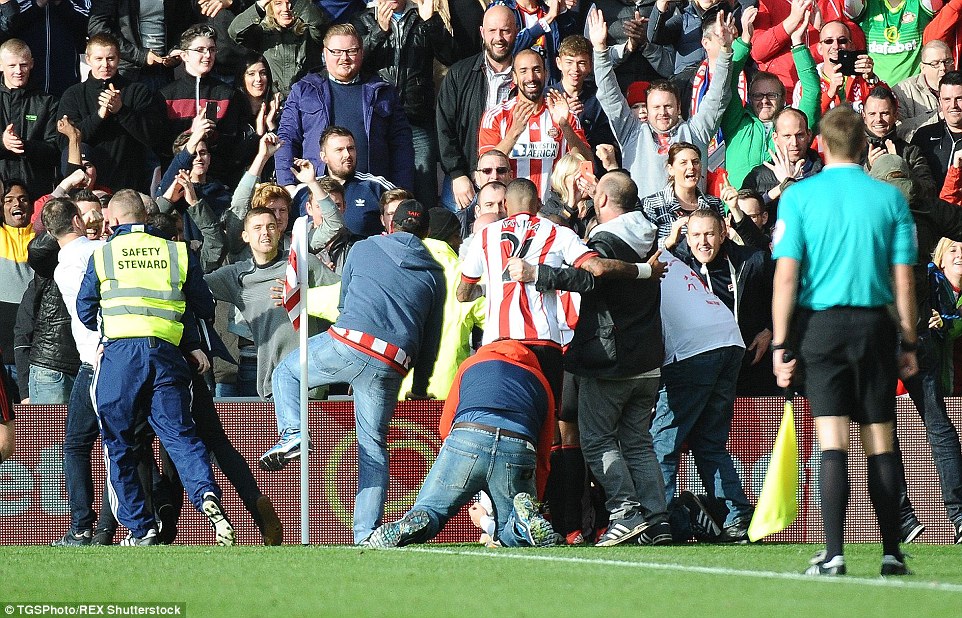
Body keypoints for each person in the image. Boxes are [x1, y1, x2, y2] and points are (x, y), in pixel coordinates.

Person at [771, 105, 918, 575]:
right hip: (874, 326)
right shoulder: (889, 199)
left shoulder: (798, 197)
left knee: (831, 438)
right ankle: (891, 551)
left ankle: (834, 552)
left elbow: (787, 277)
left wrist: (780, 344)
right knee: (881, 437)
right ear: (863, 145)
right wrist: (909, 341)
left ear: (821, 143)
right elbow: (904, 278)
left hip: (822, 327)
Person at [268, 199, 445, 544]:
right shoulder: (435, 273)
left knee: (286, 374)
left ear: (391, 224)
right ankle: (366, 533)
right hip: (391, 361)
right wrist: (420, 386)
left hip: (348, 342)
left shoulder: (364, 247)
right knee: (374, 446)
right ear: (425, 233)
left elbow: (343, 304)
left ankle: (293, 433)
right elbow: (431, 336)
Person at [511, 171, 672, 546]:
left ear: (601, 200)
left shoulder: (604, 240)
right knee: (637, 442)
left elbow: (592, 276)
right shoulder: (649, 232)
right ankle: (657, 519)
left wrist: (539, 273)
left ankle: (625, 512)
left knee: (598, 440)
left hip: (611, 358)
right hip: (648, 359)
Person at [75, 190, 236, 546]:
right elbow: (204, 305)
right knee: (180, 435)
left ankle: (141, 528)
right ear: (145, 219)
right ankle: (206, 495)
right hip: (166, 354)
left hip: (120, 356)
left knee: (119, 443)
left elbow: (85, 310)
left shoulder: (103, 255)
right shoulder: (176, 252)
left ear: (113, 221)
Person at [362, 340, 558, 549]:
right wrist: (533, 497)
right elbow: (544, 453)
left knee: (431, 509)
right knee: (507, 533)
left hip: (467, 437)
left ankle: (414, 521)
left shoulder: (472, 363)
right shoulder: (541, 381)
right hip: (518, 447)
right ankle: (520, 524)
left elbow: (445, 426)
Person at [587, 8, 734, 198]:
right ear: (646, 111)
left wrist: (725, 51)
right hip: (642, 221)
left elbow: (717, 96)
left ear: (679, 108)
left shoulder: (696, 132)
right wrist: (600, 50)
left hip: (689, 221)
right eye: (656, 107)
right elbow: (609, 95)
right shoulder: (632, 132)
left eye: (668, 106)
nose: (662, 112)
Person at [275, 22, 415, 191]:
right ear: (324, 53)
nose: (344, 58)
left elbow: (402, 145)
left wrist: (402, 189)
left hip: (372, 192)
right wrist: (287, 184)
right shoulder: (303, 90)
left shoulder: (383, 91)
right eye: (337, 52)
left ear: (361, 53)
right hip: (318, 190)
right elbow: (286, 138)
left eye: (351, 51)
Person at [352, 0, 457, 209]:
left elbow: (450, 56)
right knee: (380, 176)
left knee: (424, 175)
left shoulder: (422, 16)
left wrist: (431, 22)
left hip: (416, 114)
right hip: (378, 115)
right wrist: (379, 32)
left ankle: (426, 230)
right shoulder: (363, 19)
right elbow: (354, 64)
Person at [57, 33, 167, 194]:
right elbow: (64, 143)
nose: (105, 65)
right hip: (85, 191)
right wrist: (99, 116)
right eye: (99, 59)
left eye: (110, 58)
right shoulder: (73, 94)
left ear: (119, 58)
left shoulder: (137, 91)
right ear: (88, 59)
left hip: (128, 187)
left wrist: (121, 111)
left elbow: (152, 136)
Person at [477, 48, 590, 199]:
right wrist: (514, 132)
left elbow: (587, 163)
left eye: (537, 70)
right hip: (510, 208)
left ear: (546, 74)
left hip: (554, 209)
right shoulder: (496, 116)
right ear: (514, 78)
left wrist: (565, 126)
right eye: (523, 71)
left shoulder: (563, 114)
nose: (531, 77)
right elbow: (486, 170)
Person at [436, 4, 518, 211]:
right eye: (492, 31)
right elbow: (444, 127)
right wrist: (457, 173)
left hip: (516, 178)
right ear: (482, 32)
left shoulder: (528, 76)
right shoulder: (459, 75)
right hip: (468, 179)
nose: (498, 38)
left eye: (505, 31)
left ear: (516, 31)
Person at [919, 237, 962, 544]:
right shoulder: (930, 280)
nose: (960, 255)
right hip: (920, 373)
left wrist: (944, 323)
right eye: (954, 250)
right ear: (941, 258)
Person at [229, 0, 329, 98]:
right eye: (278, 3)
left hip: (307, 99)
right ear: (271, 8)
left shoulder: (311, 33)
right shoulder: (263, 33)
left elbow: (318, 24)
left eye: (290, 3)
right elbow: (235, 32)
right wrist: (259, 5)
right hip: (274, 102)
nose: (285, 9)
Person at [0, 38, 60, 200]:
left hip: (35, 192)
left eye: (23, 65)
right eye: (12, 66)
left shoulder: (48, 102)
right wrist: (3, 143)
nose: (18, 71)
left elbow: (55, 149)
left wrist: (25, 146)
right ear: (1, 66)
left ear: (32, 64)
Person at [742, 107, 823, 217]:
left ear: (809, 135)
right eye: (787, 136)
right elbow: (740, 218)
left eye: (800, 135)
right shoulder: (758, 177)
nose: (794, 143)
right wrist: (780, 188)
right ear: (775, 138)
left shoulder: (826, 173)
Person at [793, 19, 883, 115]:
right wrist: (830, 93)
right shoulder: (805, 85)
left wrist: (872, 81)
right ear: (819, 48)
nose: (836, 46)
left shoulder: (864, 75)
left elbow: (890, 110)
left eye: (842, 40)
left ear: (851, 46)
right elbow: (804, 123)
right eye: (828, 41)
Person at [641, 142, 726, 242]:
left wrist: (734, 209)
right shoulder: (651, 204)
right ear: (671, 169)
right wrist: (671, 240)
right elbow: (645, 247)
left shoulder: (714, 204)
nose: (691, 167)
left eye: (695, 162)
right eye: (683, 163)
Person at [862, 85, 936, 198]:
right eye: (872, 114)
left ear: (895, 115)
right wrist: (868, 168)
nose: (878, 120)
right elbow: (846, 190)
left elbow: (929, 190)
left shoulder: (911, 152)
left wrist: (900, 169)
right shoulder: (853, 150)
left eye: (884, 113)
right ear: (864, 116)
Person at [1, 178, 34, 402]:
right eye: (9, 200)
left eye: (23, 199)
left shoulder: (43, 237)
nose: (17, 204)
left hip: (33, 358)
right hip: (2, 357)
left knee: (34, 430)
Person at [893, 40, 953, 139]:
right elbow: (898, 130)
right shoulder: (902, 92)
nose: (943, 68)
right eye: (935, 63)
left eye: (947, 62)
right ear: (923, 67)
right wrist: (936, 116)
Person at [911, 70, 962, 187]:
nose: (953, 105)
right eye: (947, 99)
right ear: (940, 102)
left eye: (959, 98)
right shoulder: (924, 135)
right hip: (930, 204)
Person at [454, 149, 513, 237]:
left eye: (501, 170)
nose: (494, 176)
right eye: (487, 171)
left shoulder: (529, 212)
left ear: (511, 175)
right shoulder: (459, 222)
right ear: (476, 177)